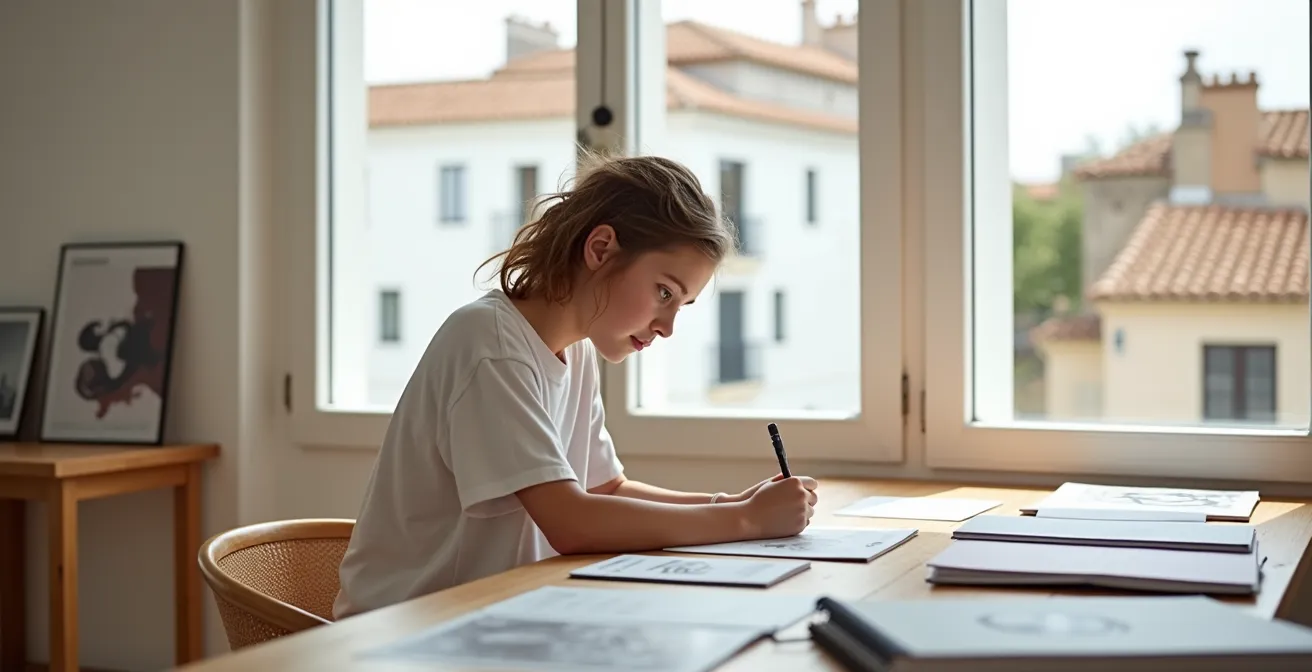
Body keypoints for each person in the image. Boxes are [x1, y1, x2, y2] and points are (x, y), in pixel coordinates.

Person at [333, 151, 819, 619]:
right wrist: (746, 521)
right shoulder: (491, 346)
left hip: (497, 618)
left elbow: (607, 488)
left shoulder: (577, 350)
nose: (668, 327)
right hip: (403, 634)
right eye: (664, 292)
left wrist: (732, 504)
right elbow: (571, 521)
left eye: (681, 305)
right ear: (601, 249)